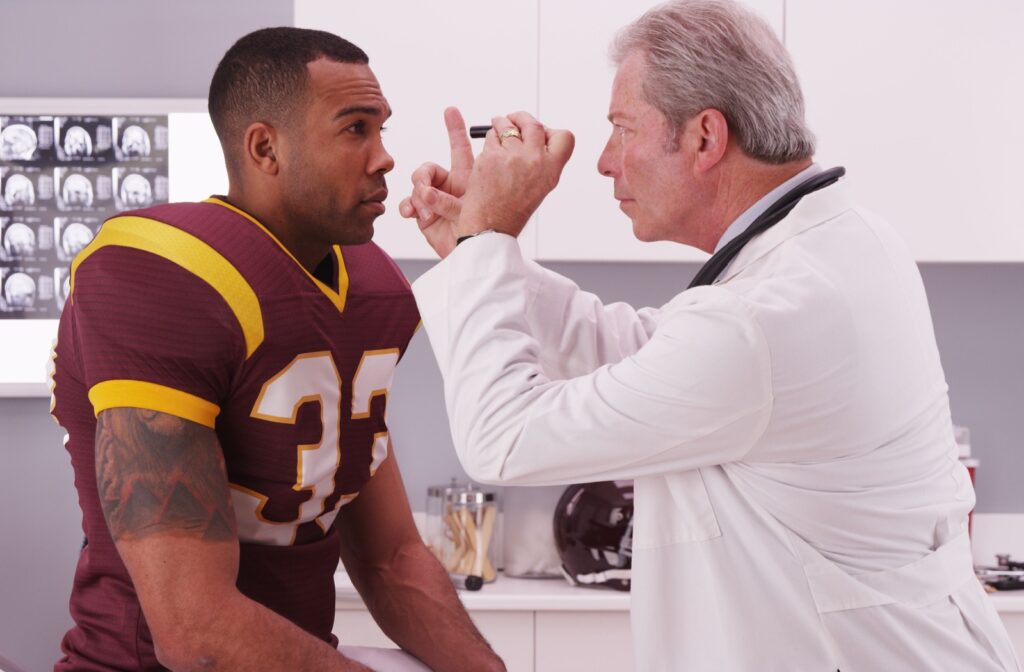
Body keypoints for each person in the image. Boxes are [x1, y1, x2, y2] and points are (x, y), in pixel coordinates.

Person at [399, 1, 1022, 670]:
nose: (605, 162)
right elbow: (650, 355)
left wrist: (488, 240)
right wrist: (476, 253)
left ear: (704, 138)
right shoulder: (847, 246)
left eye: (622, 129)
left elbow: (503, 439)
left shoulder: (758, 321)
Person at [50, 27, 504, 672]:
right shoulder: (160, 274)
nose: (383, 158)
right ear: (265, 148)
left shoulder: (374, 284)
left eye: (382, 130)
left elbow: (391, 557)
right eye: (355, 130)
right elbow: (196, 632)